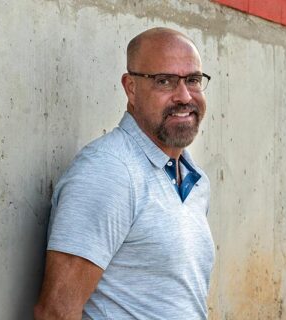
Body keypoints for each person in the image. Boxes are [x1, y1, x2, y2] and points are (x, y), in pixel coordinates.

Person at [34, 27, 215, 320]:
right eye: (164, 81)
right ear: (131, 88)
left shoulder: (194, 179)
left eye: (193, 80)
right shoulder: (109, 171)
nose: (184, 96)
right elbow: (55, 312)